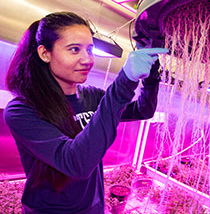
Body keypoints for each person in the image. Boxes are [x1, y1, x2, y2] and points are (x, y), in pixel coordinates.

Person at [3, 12, 168, 213]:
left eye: (90, 50)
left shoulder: (92, 96)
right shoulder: (22, 111)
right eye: (74, 50)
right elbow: (76, 163)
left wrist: (151, 76)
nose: (87, 60)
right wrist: (124, 81)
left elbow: (143, 110)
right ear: (45, 53)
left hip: (93, 205)